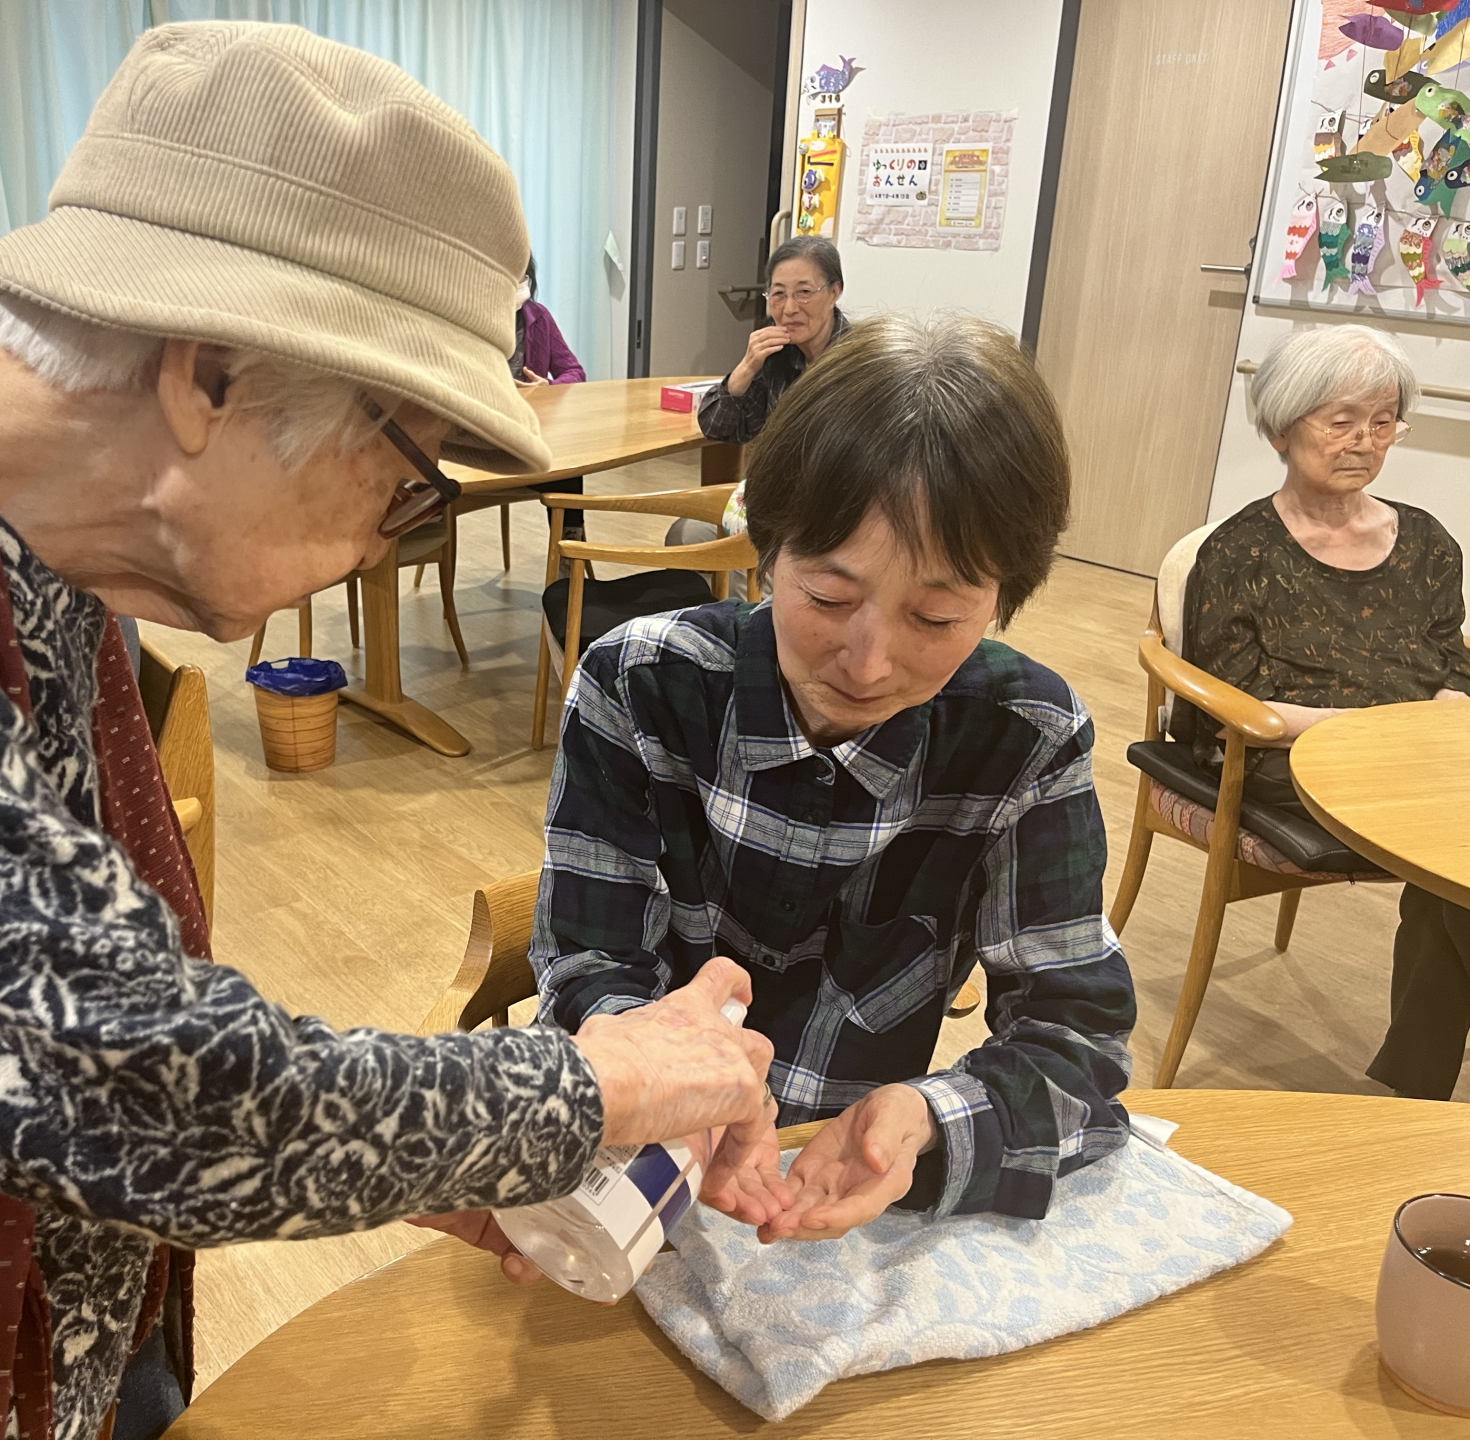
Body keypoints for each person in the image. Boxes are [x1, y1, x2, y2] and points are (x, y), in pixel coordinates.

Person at [0, 23, 772, 1440]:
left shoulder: (0, 544)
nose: (386, 541)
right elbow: (129, 1084)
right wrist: (589, 1086)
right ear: (209, 377)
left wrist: (427, 1155)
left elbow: (50, 1008)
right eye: (406, 479)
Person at [531, 314, 1137, 1241]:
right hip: (638, 1165)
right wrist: (674, 1085)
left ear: (1001, 600)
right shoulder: (643, 683)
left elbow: (1077, 1041)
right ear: (766, 547)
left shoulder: (1026, 736)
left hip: (844, 1198)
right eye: (828, 597)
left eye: (936, 619)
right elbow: (586, 963)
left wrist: (926, 1120)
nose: (868, 663)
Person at [1180, 324, 1470, 1102]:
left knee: (1456, 867)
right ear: (1282, 427)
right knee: (1457, 856)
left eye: (1383, 421)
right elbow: (1234, 702)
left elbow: (1453, 658)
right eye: (1341, 420)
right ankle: (1416, 1089)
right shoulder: (1238, 553)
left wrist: (1444, 710)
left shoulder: (1428, 542)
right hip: (1296, 765)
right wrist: (1377, 732)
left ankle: (1413, 1088)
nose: (1364, 441)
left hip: (1416, 758)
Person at [669, 236, 851, 570]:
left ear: (834, 291)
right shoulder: (776, 355)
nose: (789, 308)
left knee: (748, 561)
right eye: (778, 294)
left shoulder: (858, 360)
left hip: (835, 515)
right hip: (776, 506)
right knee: (686, 535)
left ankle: (759, 597)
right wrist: (746, 367)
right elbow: (719, 428)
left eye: (804, 292)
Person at [513, 255, 590, 538]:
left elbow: (574, 371)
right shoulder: (470, 321)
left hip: (531, 434)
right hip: (484, 438)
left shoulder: (539, 318)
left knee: (569, 464)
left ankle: (570, 551)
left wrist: (548, 386)